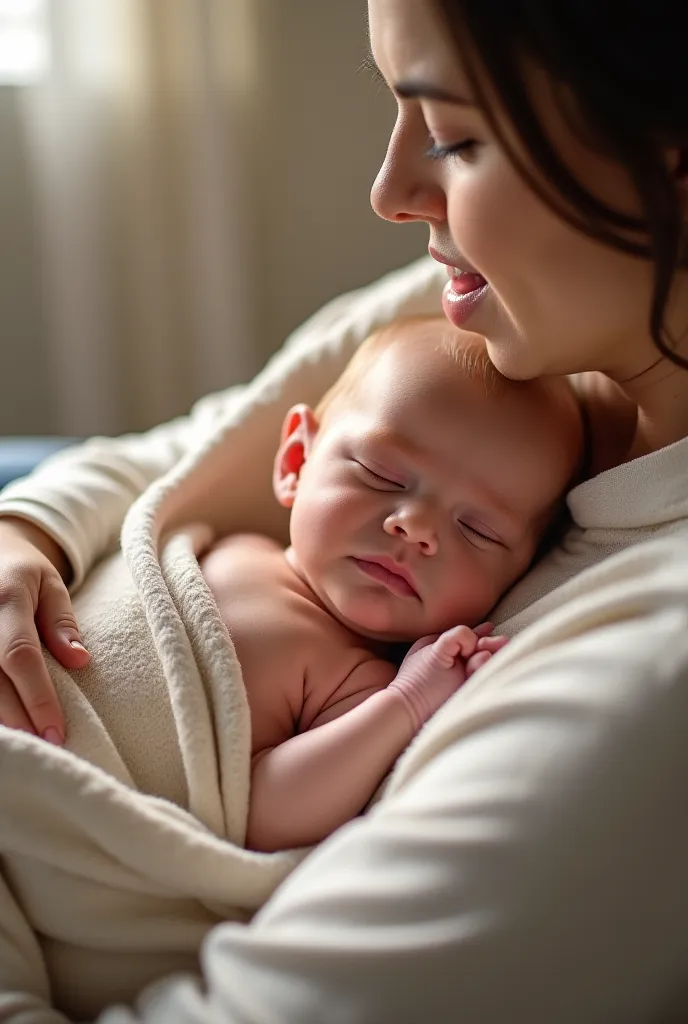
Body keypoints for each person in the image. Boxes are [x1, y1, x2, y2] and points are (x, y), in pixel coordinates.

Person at [0, 0, 686, 1021]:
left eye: (454, 137)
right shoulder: (490, 312)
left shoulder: (646, 680)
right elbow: (185, 453)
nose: (390, 193)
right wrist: (27, 534)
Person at [201, 318, 581, 852]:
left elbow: (262, 816)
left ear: (518, 577)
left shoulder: (357, 686)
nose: (417, 528)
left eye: (477, 530)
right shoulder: (220, 543)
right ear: (296, 461)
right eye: (381, 474)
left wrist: (405, 703)